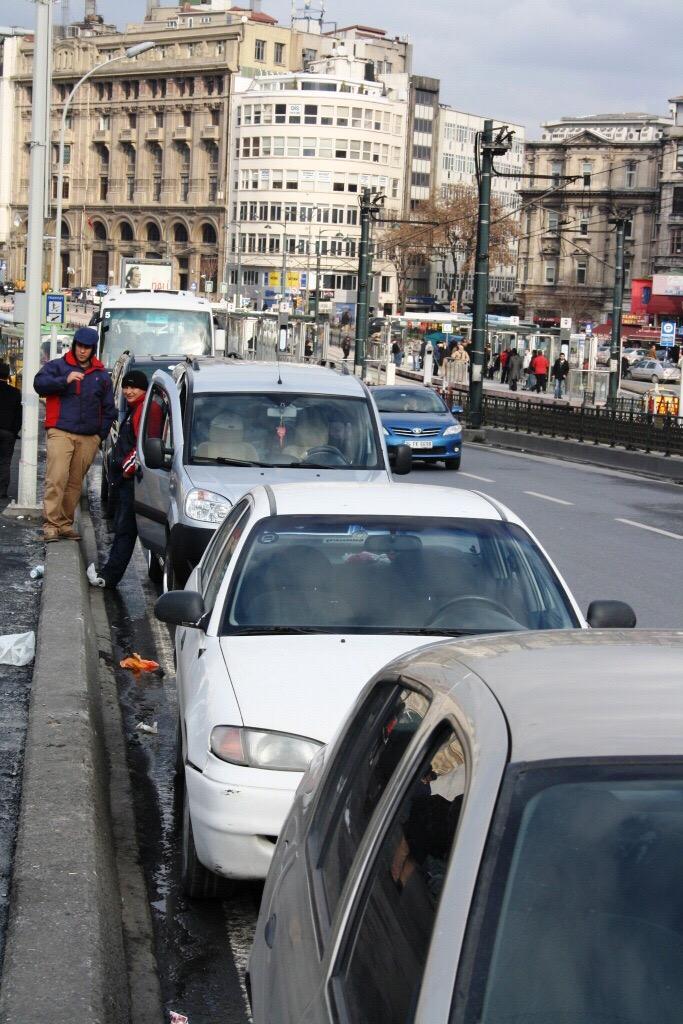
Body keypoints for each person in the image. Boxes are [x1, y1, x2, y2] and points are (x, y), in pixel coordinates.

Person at [34, 326, 115, 543]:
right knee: (56, 478)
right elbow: (39, 384)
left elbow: (109, 409)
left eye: (87, 347)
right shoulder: (57, 366)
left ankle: (64, 524)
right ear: (74, 345)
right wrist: (65, 379)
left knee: (74, 483)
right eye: (79, 346)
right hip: (60, 431)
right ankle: (51, 525)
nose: (82, 351)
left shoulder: (101, 376)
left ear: (93, 349)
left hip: (88, 437)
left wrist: (99, 436)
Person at [87, 370, 150, 589]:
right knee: (124, 529)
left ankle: (109, 577)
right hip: (129, 481)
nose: (129, 391)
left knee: (125, 530)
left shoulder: (144, 410)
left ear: (144, 389)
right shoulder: (138, 408)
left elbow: (141, 446)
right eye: (126, 387)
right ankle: (109, 574)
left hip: (132, 482)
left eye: (134, 387)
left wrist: (126, 470)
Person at [0, 361, 21, 499]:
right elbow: (18, 416)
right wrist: (14, 432)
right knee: (5, 461)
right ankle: (1, 491)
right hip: (8, 432)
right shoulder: (15, 393)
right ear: (7, 376)